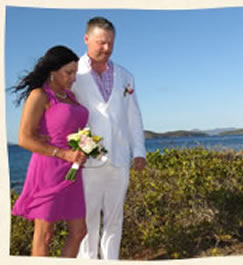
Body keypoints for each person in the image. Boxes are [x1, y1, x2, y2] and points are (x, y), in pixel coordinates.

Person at [72, 17, 146, 260]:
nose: (106, 48)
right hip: (88, 160)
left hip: (119, 158)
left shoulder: (126, 76)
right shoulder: (74, 73)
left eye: (110, 43)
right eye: (100, 42)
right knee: (87, 221)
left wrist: (139, 152)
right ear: (86, 39)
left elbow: (133, 116)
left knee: (115, 220)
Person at [11, 45, 89, 257]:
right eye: (68, 72)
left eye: (75, 72)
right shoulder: (39, 95)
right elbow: (24, 139)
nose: (73, 77)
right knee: (45, 235)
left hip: (74, 169)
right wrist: (62, 153)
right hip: (49, 169)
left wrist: (86, 144)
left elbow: (69, 127)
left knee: (80, 231)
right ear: (53, 71)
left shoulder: (71, 97)